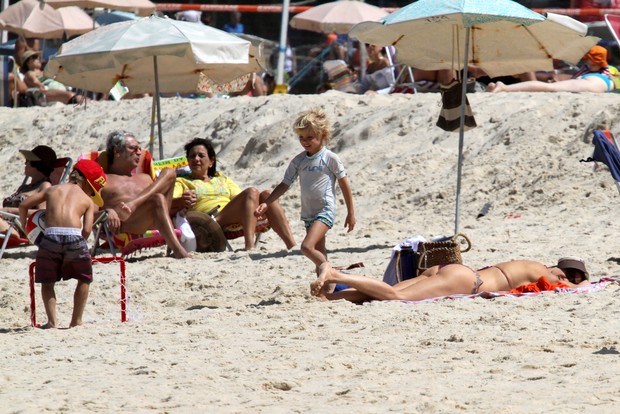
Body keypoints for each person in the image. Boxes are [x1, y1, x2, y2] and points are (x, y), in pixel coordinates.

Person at [255, 108, 355, 271]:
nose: (305, 141)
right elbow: (284, 184)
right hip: (308, 213)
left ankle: (331, 271)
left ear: (322, 135)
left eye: (310, 137)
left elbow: (344, 184)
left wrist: (351, 213)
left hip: (325, 210)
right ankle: (326, 293)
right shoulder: (298, 161)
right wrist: (267, 203)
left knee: (307, 247)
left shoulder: (329, 158)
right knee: (319, 252)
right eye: (301, 137)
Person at [19, 159, 107, 328]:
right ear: (87, 183)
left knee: (47, 281)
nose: (92, 193)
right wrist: (79, 243)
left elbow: (24, 206)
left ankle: (52, 321)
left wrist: (25, 229)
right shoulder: (87, 200)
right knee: (84, 278)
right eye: (92, 189)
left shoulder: (53, 190)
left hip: (50, 236)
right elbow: (87, 230)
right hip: (74, 236)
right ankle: (76, 320)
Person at [171, 138, 296, 251]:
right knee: (251, 191)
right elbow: (170, 203)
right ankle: (249, 246)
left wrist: (254, 211)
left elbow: (240, 198)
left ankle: (292, 245)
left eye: (201, 155)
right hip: (207, 220)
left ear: (211, 162)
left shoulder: (221, 179)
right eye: (192, 156)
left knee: (267, 195)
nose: (196, 159)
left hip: (229, 215)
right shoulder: (182, 181)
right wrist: (182, 200)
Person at [311, 259, 591, 303]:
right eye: (570, 275)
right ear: (560, 270)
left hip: (452, 269)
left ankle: (330, 296)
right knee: (396, 299)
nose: (570, 280)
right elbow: (575, 289)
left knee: (384, 295)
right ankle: (336, 274)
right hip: (467, 280)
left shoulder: (530, 263)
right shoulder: (547, 273)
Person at [101, 130, 189, 259]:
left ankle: (133, 204)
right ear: (117, 152)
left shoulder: (145, 177)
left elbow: (164, 205)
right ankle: (179, 252)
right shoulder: (104, 180)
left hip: (157, 218)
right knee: (157, 198)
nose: (139, 152)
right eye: (133, 148)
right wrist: (108, 212)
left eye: (139, 148)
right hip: (126, 223)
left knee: (170, 172)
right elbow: (88, 212)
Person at [488, 46, 616, 93]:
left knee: (549, 87)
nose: (590, 65)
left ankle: (505, 87)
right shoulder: (602, 71)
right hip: (594, 83)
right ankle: (505, 87)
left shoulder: (598, 70)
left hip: (593, 82)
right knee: (549, 87)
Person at [1, 145, 57, 238]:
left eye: (28, 161)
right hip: (6, 224)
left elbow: (42, 214)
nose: (25, 164)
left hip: (20, 228)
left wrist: (9, 210)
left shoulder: (45, 186)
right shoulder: (23, 187)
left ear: (37, 165)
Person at [20, 50, 85, 105]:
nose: (38, 59)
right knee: (72, 96)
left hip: (54, 90)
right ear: (27, 62)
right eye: (34, 57)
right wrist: (40, 86)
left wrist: (62, 65)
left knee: (75, 96)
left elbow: (58, 72)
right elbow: (35, 82)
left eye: (38, 57)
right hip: (46, 93)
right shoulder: (30, 73)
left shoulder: (43, 71)